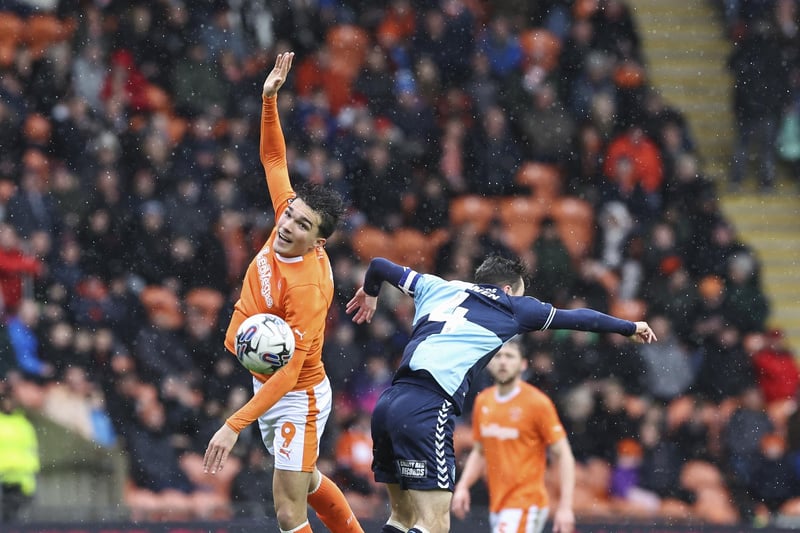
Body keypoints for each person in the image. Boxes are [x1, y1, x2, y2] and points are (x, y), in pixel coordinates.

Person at [346, 254, 656, 533]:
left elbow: (379, 265)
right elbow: (581, 318)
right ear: (508, 289)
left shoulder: (437, 286)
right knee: (434, 525)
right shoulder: (512, 306)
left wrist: (371, 293)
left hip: (390, 403)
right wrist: (629, 327)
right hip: (427, 406)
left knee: (401, 518)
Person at [203, 52, 362, 533]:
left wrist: (234, 425)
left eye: (301, 225)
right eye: (290, 215)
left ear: (321, 240)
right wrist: (269, 99)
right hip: (269, 380)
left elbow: (290, 371)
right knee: (309, 481)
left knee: (288, 510)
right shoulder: (286, 214)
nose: (288, 225)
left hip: (297, 394)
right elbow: (273, 158)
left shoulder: (310, 288)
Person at [451, 338, 577, 533]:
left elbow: (564, 455)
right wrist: (463, 485)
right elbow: (480, 450)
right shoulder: (483, 402)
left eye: (510, 356)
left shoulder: (537, 403)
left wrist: (565, 506)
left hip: (526, 503)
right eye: (498, 356)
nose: (503, 361)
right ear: (489, 363)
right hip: (498, 504)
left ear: (523, 364)